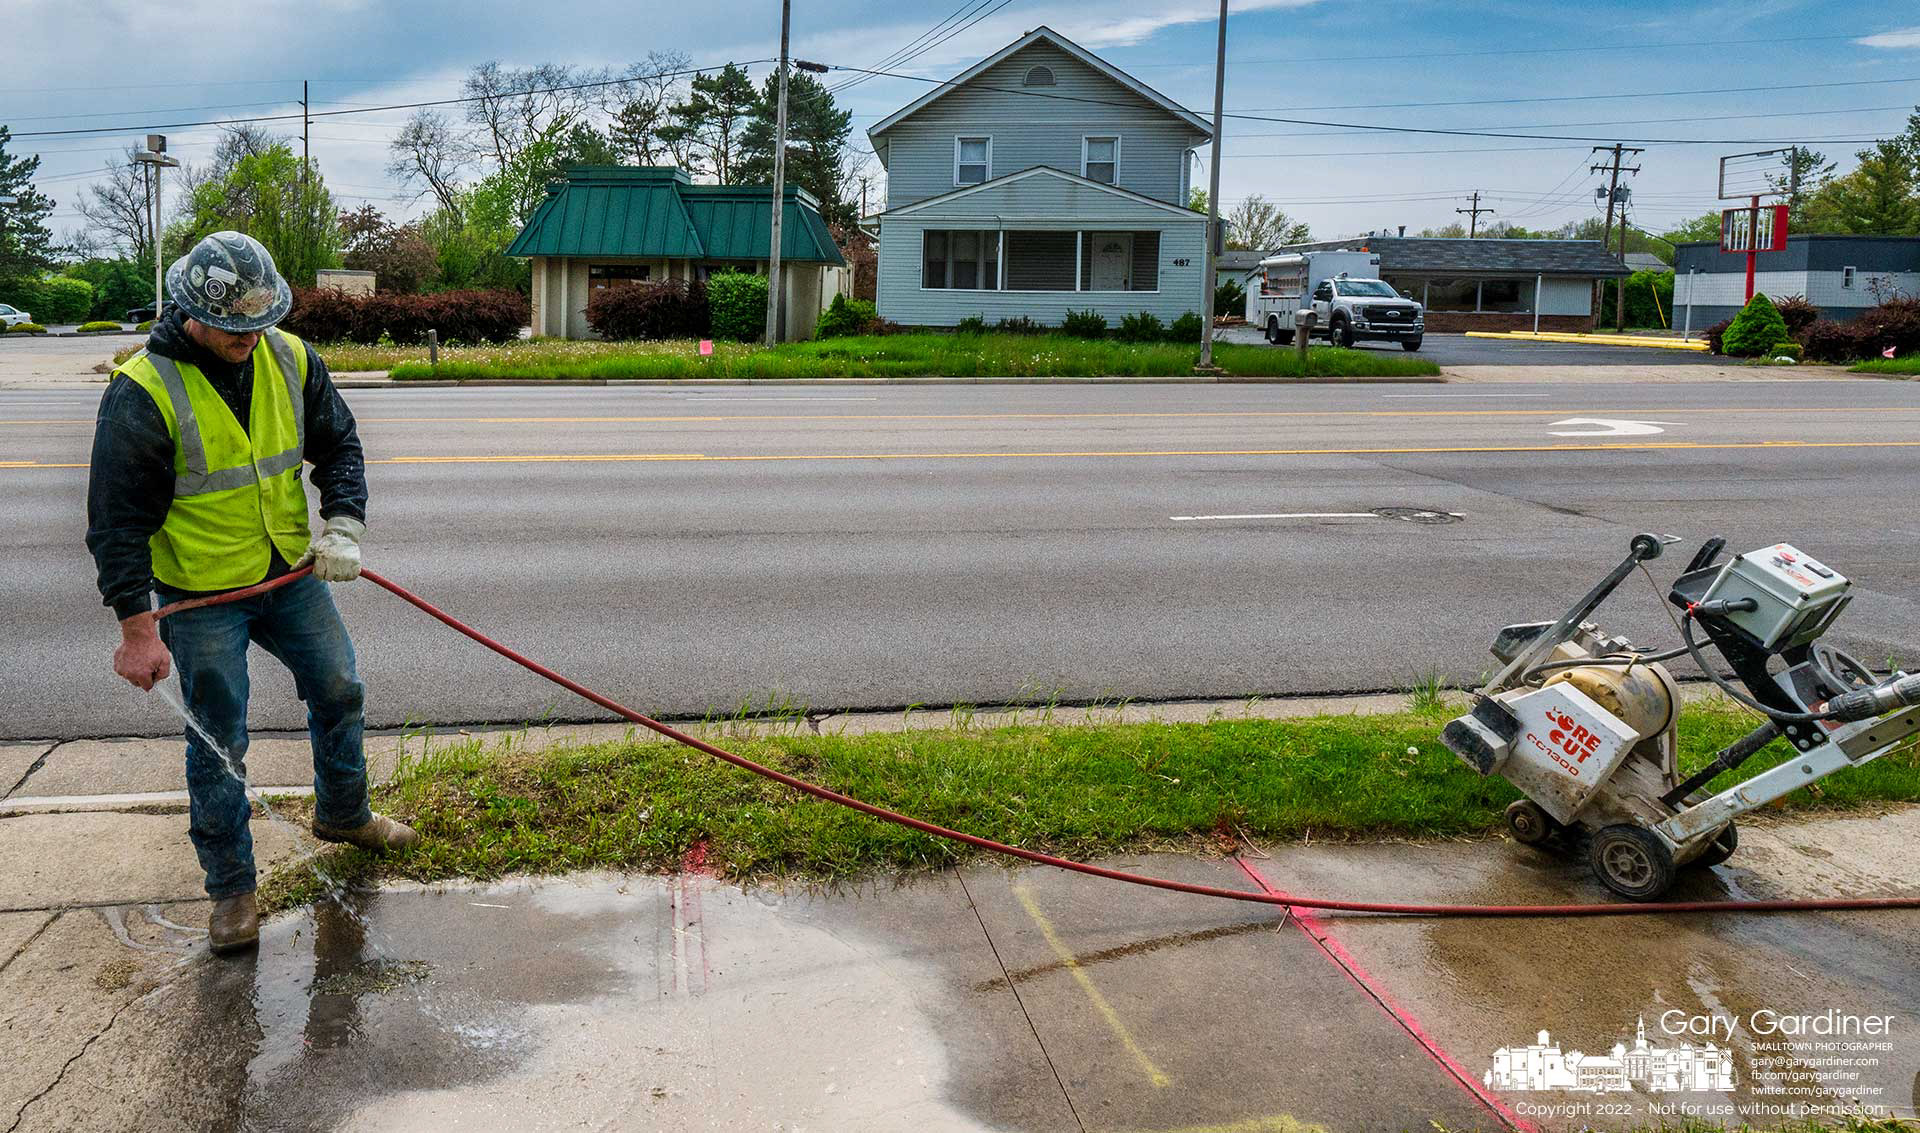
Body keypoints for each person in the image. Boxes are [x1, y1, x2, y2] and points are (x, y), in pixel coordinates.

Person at [86, 231, 417, 956]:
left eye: (260, 323)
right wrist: (138, 630)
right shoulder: (142, 392)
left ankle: (344, 811)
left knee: (339, 685)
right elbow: (116, 527)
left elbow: (340, 445)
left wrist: (343, 524)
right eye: (235, 328)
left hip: (287, 574)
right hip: (203, 594)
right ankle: (232, 889)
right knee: (220, 736)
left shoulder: (291, 358)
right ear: (191, 311)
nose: (250, 339)